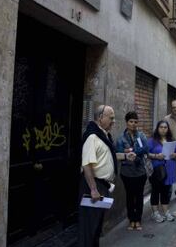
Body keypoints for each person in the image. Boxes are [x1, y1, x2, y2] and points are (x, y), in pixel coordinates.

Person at [78, 105, 119, 246]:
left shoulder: (104, 135)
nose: (114, 121)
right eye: (111, 118)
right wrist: (94, 189)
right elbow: (87, 165)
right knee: (89, 227)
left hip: (102, 187)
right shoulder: (92, 137)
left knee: (96, 227)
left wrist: (125, 156)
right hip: (93, 188)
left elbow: (106, 156)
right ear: (100, 117)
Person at [116, 111, 149, 231]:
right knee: (130, 197)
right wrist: (126, 152)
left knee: (139, 196)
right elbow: (118, 152)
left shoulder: (141, 136)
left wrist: (132, 151)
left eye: (135, 122)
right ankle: (131, 220)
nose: (133, 124)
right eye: (131, 121)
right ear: (126, 122)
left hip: (140, 172)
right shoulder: (121, 138)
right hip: (127, 173)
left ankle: (138, 220)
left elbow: (145, 149)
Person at [148, 121, 176, 223]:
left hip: (169, 170)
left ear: (168, 129)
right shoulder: (152, 141)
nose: (163, 129)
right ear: (157, 128)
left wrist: (175, 155)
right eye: (161, 127)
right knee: (155, 191)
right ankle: (155, 213)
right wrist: (156, 156)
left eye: (165, 127)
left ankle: (166, 212)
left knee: (165, 192)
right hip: (157, 170)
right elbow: (146, 153)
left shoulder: (171, 140)